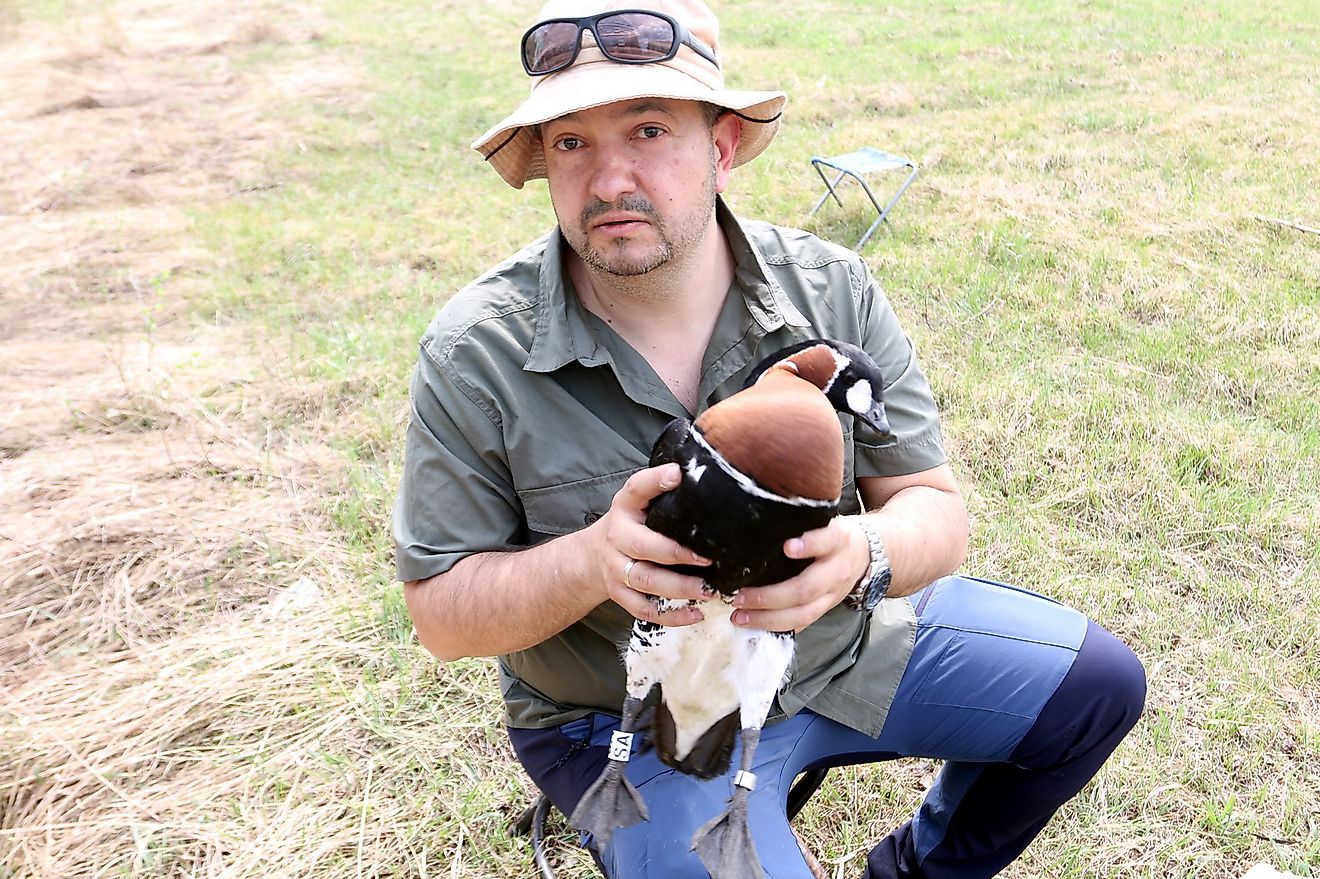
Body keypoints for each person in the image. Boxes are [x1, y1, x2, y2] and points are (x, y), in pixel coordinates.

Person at [392, 1, 1147, 876]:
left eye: (647, 129)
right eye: (571, 143)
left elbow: (933, 510)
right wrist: (595, 558)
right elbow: (441, 615)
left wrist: (861, 553)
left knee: (1097, 688)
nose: (607, 180)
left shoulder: (831, 290)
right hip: (630, 718)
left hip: (842, 652)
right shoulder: (477, 349)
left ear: (719, 147)